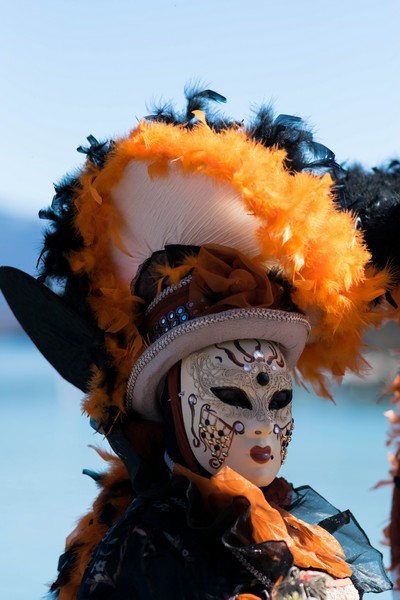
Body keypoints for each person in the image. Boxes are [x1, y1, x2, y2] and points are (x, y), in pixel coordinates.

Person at [0, 89, 393, 599]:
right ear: (171, 398)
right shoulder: (146, 546)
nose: (261, 424)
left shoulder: (295, 529)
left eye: (278, 399)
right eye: (230, 395)